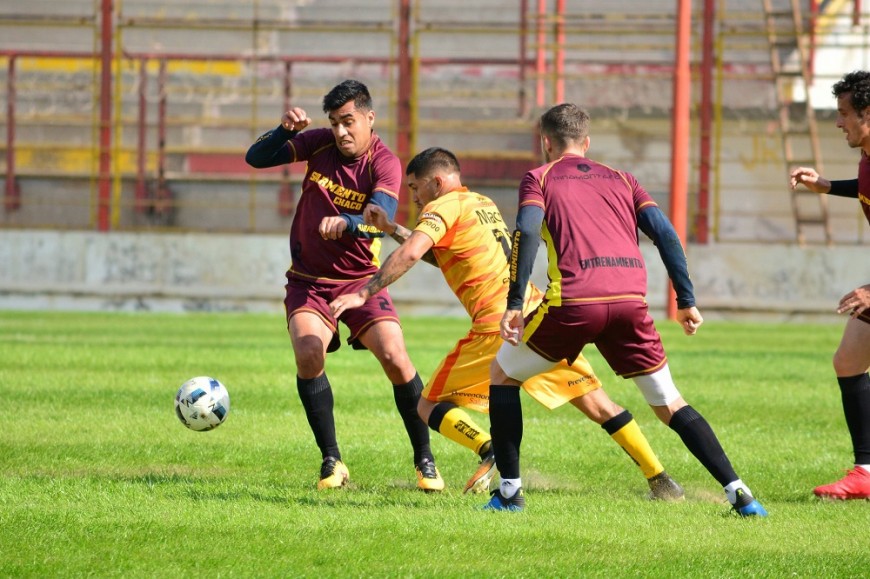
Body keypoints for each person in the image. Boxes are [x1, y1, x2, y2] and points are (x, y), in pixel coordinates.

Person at [328, 146, 684, 500]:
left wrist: (364, 293)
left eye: (415, 188)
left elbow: (412, 253)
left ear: (436, 182)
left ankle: (488, 448)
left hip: (495, 323)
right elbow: (441, 256)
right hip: (537, 314)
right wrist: (391, 227)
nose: (415, 198)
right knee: (597, 404)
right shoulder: (481, 203)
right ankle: (661, 480)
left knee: (427, 406)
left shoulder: (441, 207)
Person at [484, 103, 768, 516]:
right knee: (670, 403)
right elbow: (666, 235)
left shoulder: (539, 177)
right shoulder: (624, 179)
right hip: (632, 303)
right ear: (587, 142)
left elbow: (526, 230)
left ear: (546, 142)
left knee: (503, 374)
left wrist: (514, 303)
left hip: (575, 303)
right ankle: (740, 494)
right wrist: (685, 300)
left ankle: (509, 494)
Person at [244, 79, 443, 492]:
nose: (341, 132)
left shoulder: (384, 162)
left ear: (370, 118)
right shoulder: (317, 144)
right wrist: (284, 131)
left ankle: (425, 460)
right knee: (308, 353)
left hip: (360, 282)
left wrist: (349, 223)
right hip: (309, 283)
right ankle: (332, 461)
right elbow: (255, 158)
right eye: (334, 122)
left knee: (395, 357)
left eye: (349, 122)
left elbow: (381, 214)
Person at [790, 70, 870, 500]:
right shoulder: (867, 157)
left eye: (844, 114)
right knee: (849, 360)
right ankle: (865, 472)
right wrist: (825, 186)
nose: (838, 123)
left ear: (868, 114)